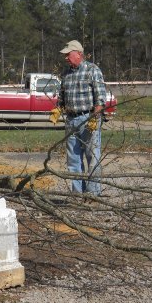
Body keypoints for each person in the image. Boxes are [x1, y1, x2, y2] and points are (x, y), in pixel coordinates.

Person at [54, 40, 106, 196]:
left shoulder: (92, 70)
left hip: (88, 118)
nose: (66, 58)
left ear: (79, 54)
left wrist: (94, 118)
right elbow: (62, 97)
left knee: (93, 157)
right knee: (73, 159)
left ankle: (93, 194)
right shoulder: (66, 73)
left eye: (68, 54)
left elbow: (101, 98)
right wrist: (57, 109)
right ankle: (77, 193)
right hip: (71, 120)